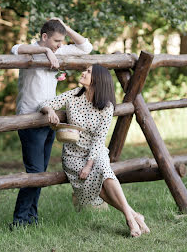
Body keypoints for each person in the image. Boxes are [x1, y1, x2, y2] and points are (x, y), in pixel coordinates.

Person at [39, 64, 150, 237]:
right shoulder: (74, 94)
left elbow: (99, 140)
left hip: (95, 152)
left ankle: (129, 218)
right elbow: (45, 103)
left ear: (98, 79)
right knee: (101, 189)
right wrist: (50, 112)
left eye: (88, 72)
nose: (83, 73)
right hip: (73, 155)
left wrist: (89, 165)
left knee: (105, 172)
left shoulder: (107, 106)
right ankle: (134, 215)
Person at [10, 18, 93, 229]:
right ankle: (19, 221)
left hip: (50, 118)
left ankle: (31, 219)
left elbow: (86, 47)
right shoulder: (31, 51)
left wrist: (65, 26)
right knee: (35, 172)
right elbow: (14, 48)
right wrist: (46, 52)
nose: (59, 45)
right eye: (56, 41)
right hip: (30, 119)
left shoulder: (59, 51)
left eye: (61, 41)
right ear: (44, 37)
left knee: (41, 171)